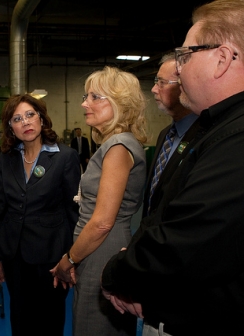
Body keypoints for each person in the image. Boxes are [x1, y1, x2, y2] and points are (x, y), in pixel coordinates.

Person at [101, 1, 244, 335]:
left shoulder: (236, 137)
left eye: (185, 56)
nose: (178, 70)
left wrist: (116, 273)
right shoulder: (218, 129)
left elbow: (185, 241)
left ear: (221, 59)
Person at [51, 66, 148, 336]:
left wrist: (68, 260)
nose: (85, 104)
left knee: (94, 327)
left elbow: (103, 222)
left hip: (103, 248)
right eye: (86, 96)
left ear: (119, 104)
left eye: (95, 97)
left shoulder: (118, 147)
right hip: (94, 249)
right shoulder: (114, 144)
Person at [0, 94, 80, 336]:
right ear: (11, 127)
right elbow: (0, 208)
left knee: (49, 322)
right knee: (20, 321)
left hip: (51, 259)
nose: (26, 122)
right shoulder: (7, 159)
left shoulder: (64, 157)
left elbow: (74, 212)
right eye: (17, 118)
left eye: (30, 115)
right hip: (15, 258)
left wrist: (72, 259)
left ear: (41, 118)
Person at [143, 52, 199, 217]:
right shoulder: (165, 135)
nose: (153, 90)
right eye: (155, 82)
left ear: (184, 85)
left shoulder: (204, 136)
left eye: (161, 82)